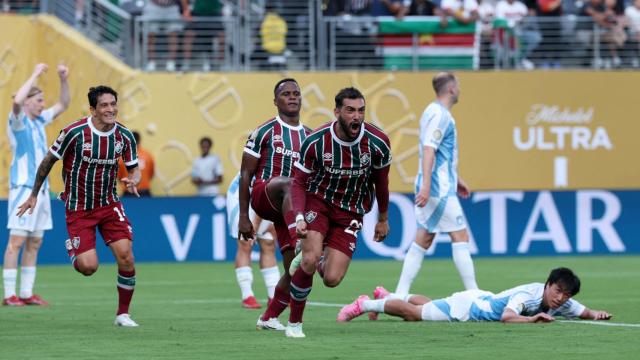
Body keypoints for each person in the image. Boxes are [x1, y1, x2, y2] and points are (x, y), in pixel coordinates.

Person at [16, 85, 141, 327]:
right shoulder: (74, 132)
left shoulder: (124, 136)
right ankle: (74, 249)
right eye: (104, 105)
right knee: (88, 267)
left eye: (113, 104)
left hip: (109, 205)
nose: (110, 109)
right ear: (92, 109)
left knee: (126, 257)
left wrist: (133, 180)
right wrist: (34, 194)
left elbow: (134, 167)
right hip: (79, 208)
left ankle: (123, 314)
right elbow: (48, 161)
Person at [286, 87, 392, 338]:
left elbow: (382, 183)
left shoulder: (377, 143)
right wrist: (299, 217)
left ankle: (314, 254)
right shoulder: (316, 141)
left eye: (361, 110)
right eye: (350, 110)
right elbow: (298, 182)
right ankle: (294, 324)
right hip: (318, 203)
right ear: (337, 112)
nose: (357, 116)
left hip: (351, 211)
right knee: (310, 260)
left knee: (332, 279)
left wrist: (383, 218)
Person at [394, 72, 478, 300]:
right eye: (458, 85)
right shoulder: (440, 115)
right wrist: (428, 185)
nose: (459, 88)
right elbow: (429, 149)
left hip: (437, 183)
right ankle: (473, 293)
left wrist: (456, 178)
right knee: (460, 236)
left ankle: (400, 293)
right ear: (451, 89)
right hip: (437, 188)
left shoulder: (433, 112)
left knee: (424, 237)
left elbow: (438, 151)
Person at [241, 78, 310, 332]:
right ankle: (300, 236)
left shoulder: (310, 136)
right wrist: (244, 217)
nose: (292, 97)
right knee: (290, 183)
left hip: (290, 209)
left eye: (296, 93)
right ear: (275, 101)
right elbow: (245, 175)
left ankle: (269, 317)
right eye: (286, 94)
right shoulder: (265, 131)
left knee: (299, 267)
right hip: (265, 194)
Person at [3, 63, 70, 306]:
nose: (43, 104)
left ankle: (26, 293)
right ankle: (9, 294)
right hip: (23, 187)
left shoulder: (40, 121)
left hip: (41, 190)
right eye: (39, 100)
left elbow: (64, 104)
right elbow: (17, 101)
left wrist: (63, 79)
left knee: (35, 241)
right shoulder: (18, 121)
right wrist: (34, 74)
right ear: (30, 101)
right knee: (17, 241)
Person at [337, 267, 612, 323]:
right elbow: (507, 317)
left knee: (432, 305)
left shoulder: (560, 300)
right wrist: (533, 320)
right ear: (548, 284)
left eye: (566, 295)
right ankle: (366, 303)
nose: (562, 298)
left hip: (480, 298)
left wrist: (596, 315)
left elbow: (582, 312)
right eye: (559, 291)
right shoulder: (529, 296)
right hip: (468, 309)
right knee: (416, 315)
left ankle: (389, 295)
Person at [226, 173, 280, 309]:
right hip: (241, 195)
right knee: (246, 242)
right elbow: (261, 197)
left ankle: (274, 296)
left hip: (268, 196)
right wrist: (253, 227)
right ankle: (247, 296)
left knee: (268, 242)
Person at [118, 131, 155, 197]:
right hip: (144, 193)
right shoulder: (148, 155)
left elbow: (119, 176)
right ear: (140, 140)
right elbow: (151, 174)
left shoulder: (122, 157)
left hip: (128, 193)